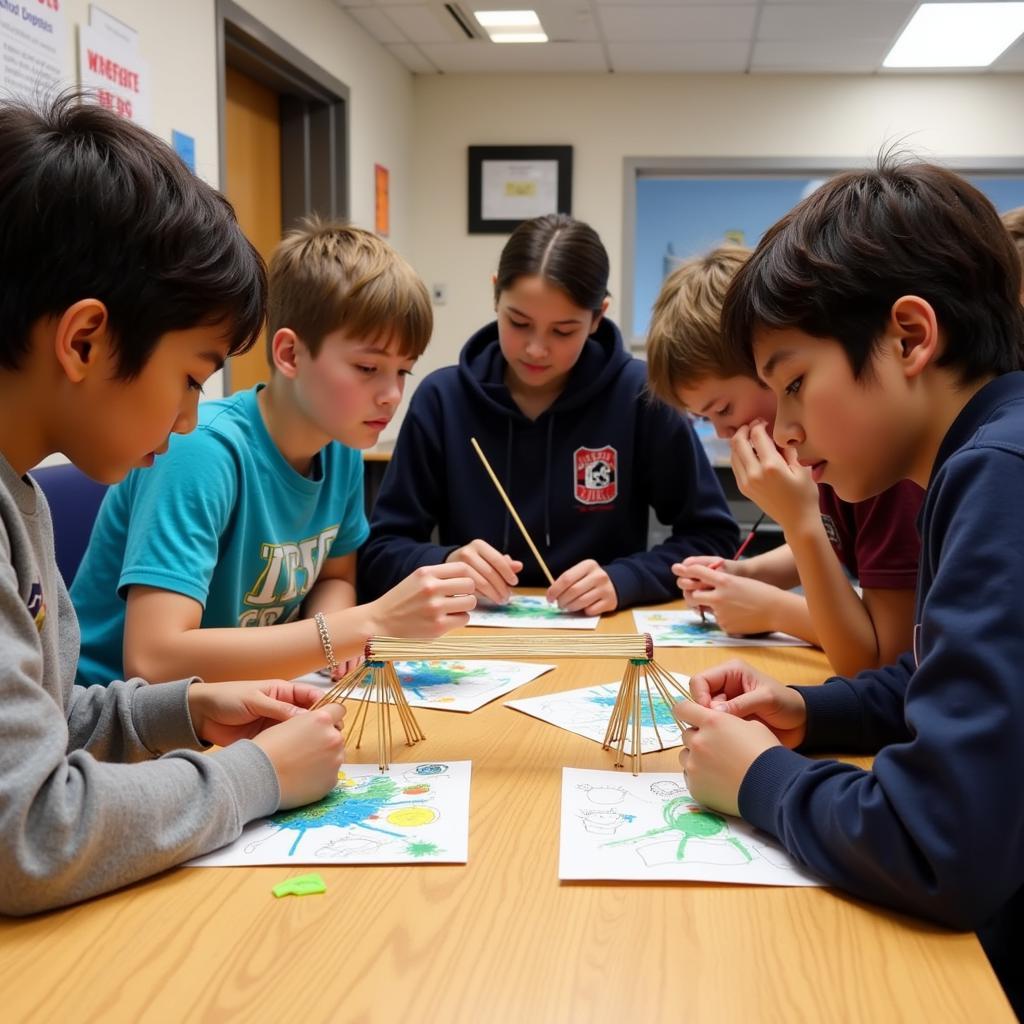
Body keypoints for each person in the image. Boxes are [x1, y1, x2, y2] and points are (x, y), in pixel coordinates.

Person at [671, 157, 1024, 1014]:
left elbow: (939, 846)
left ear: (910, 337)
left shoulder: (998, 473)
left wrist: (760, 781)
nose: (783, 425)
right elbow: (935, 673)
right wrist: (813, 712)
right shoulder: (982, 454)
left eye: (794, 383)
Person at [0, 95, 349, 914]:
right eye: (191, 378)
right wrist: (256, 776)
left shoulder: (20, 494)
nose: (190, 418)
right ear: (84, 340)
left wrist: (183, 709)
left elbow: (41, 719)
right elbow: (29, 829)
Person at [72, 219, 475, 685]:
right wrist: (357, 627)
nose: (391, 394)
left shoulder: (339, 446)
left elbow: (334, 578)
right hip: (125, 727)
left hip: (241, 700)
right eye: (368, 367)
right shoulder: (201, 452)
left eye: (403, 371)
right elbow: (155, 659)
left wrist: (337, 643)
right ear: (289, 354)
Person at [359, 214, 738, 616]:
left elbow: (711, 538)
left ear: (597, 316)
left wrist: (625, 579)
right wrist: (447, 563)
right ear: (495, 295)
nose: (536, 349)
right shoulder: (442, 399)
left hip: (602, 638)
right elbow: (380, 553)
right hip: (472, 645)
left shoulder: (641, 396)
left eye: (563, 331)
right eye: (518, 322)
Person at [646, 246, 922, 675]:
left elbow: (887, 658)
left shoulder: (878, 468)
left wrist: (776, 611)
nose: (721, 433)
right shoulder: (829, 458)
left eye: (722, 410)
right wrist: (747, 572)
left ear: (770, 373)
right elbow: (835, 538)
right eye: (704, 418)